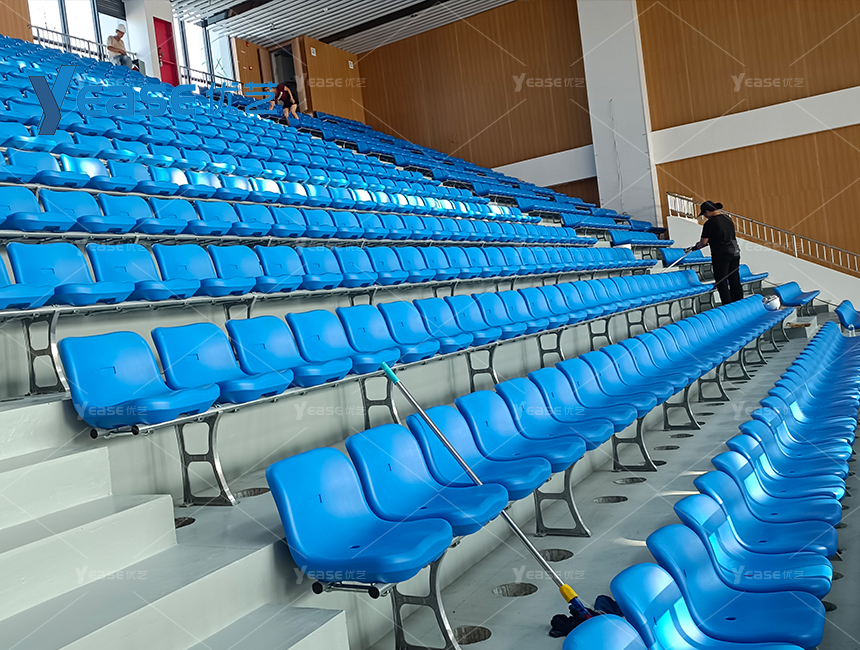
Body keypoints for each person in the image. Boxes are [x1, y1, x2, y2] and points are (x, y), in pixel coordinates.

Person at [686, 200, 744, 305]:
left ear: (707, 211)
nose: (705, 217)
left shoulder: (710, 223)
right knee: (734, 278)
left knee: (721, 280)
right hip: (735, 251)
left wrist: (696, 246)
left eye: (704, 214)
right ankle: (739, 303)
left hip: (722, 254)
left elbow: (703, 242)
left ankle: (727, 305)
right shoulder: (728, 218)